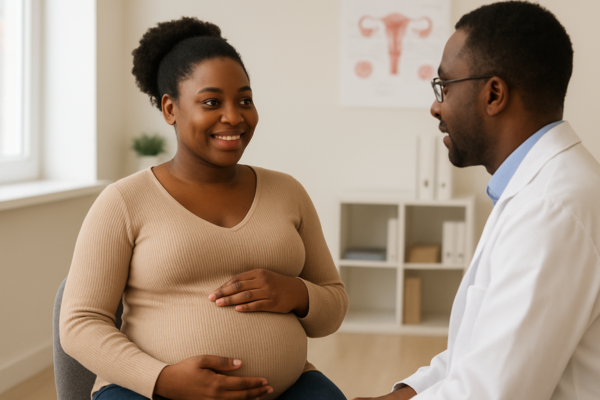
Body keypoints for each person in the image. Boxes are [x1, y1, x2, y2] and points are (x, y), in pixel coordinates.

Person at [60, 17, 348, 400]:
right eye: (211, 102)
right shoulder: (124, 201)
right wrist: (162, 378)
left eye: (244, 100)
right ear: (170, 109)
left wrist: (297, 293)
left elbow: (334, 304)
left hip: (285, 390)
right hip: (148, 393)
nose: (234, 116)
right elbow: (80, 323)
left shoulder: (288, 192)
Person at [354, 1, 600, 399]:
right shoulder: (537, 189)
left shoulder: (551, 208)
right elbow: (475, 353)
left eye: (444, 86)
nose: (436, 105)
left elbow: (491, 392)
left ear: (494, 94)